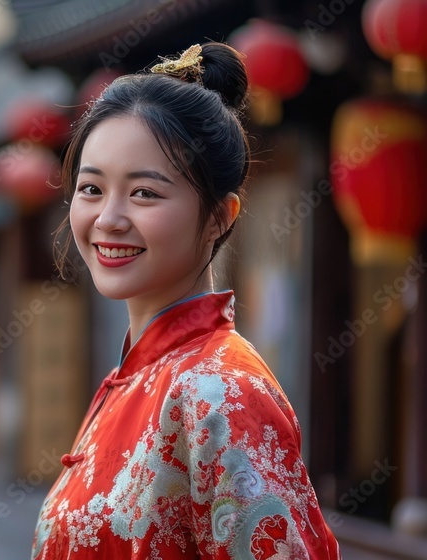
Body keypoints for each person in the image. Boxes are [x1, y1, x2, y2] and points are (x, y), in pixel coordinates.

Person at [32, 43, 341, 559]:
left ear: (220, 216)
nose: (108, 218)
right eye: (91, 189)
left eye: (145, 193)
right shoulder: (138, 376)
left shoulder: (220, 391)